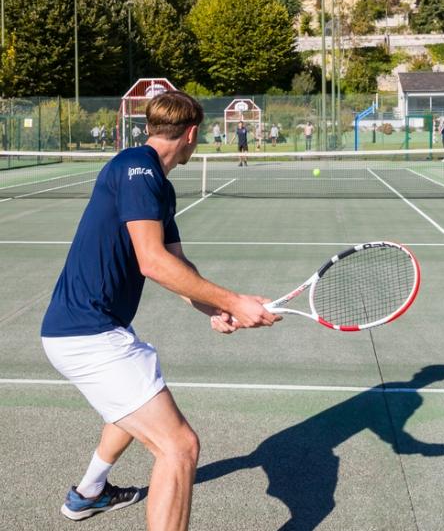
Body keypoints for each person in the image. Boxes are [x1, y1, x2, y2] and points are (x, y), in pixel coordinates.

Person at [41, 90, 279, 530]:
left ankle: (88, 494)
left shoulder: (157, 185)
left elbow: (176, 266)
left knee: (134, 406)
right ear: (191, 134)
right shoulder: (137, 169)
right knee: (180, 446)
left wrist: (214, 307)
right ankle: (89, 493)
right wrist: (234, 301)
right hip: (86, 334)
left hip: (92, 329)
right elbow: (152, 262)